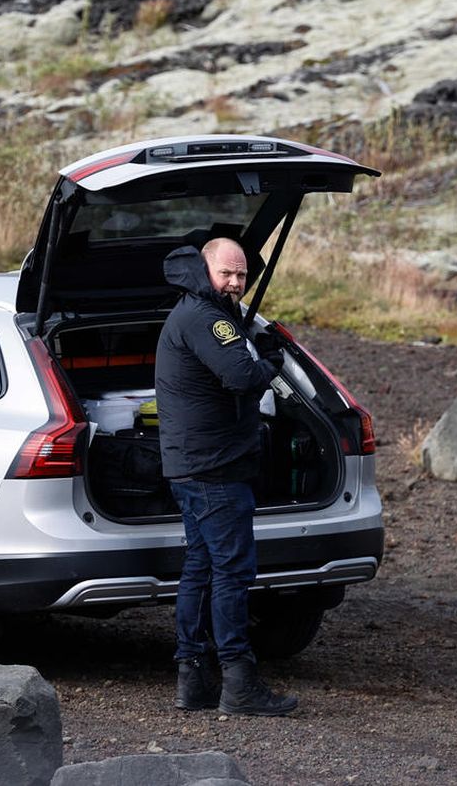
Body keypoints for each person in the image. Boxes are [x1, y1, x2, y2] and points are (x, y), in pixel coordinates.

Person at [155, 237, 297, 717]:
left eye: (241, 275)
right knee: (233, 572)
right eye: (227, 274)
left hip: (193, 465)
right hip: (214, 470)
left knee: (202, 567)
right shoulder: (206, 316)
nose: (236, 283)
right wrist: (270, 361)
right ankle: (239, 683)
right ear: (205, 269)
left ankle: (192, 680)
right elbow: (242, 377)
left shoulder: (197, 310)